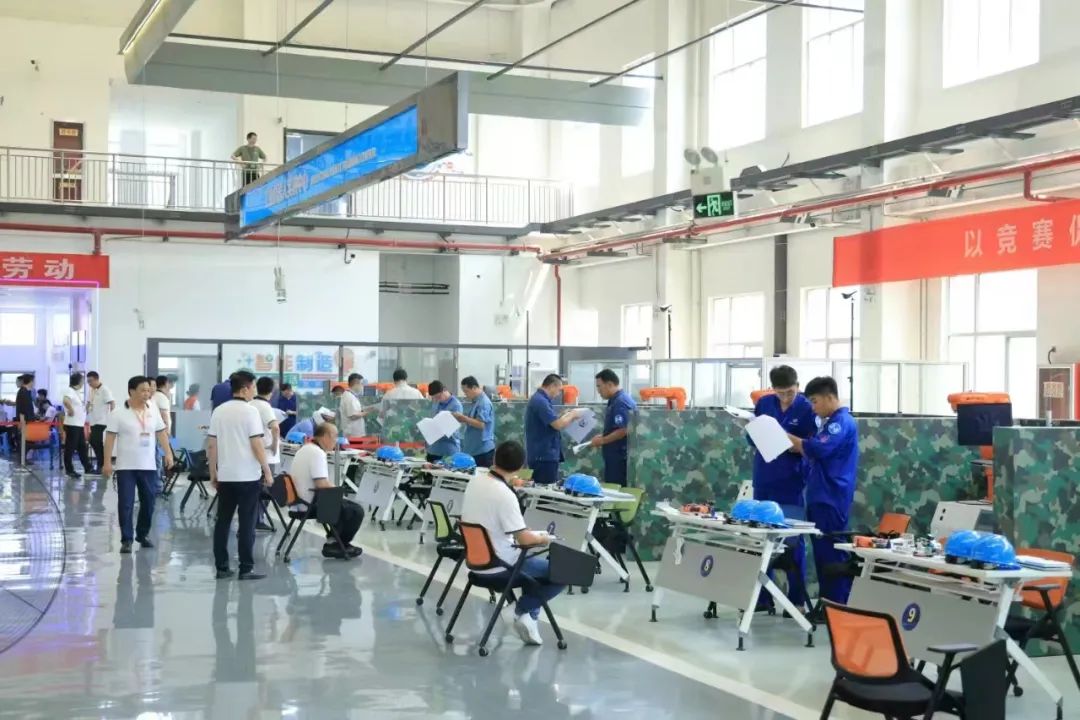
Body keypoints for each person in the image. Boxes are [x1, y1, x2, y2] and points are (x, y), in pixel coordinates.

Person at [460, 440, 563, 646]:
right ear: (520, 467)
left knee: (533, 571)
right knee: (563, 571)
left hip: (476, 565)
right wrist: (543, 538)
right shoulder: (504, 494)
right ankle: (521, 609)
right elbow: (524, 539)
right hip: (502, 566)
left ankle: (529, 618)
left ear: (494, 458)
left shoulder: (475, 482)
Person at [786, 376, 859, 606]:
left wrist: (786, 437)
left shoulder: (841, 423)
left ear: (829, 397)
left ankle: (837, 605)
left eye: (815, 402)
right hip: (821, 495)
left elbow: (818, 448)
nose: (813, 408)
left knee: (832, 553)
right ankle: (827, 603)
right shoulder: (828, 424)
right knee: (821, 553)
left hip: (831, 497)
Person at [750, 365, 817, 612]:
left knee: (792, 540)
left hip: (791, 480)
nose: (786, 397)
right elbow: (751, 435)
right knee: (762, 539)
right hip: (764, 478)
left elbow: (812, 445)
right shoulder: (764, 404)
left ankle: (796, 600)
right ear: (773, 390)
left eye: (790, 392)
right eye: (781, 393)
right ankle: (762, 598)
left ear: (798, 386)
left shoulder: (808, 408)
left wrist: (787, 441)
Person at [208, 371, 274, 581]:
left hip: (226, 476)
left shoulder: (219, 411)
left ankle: (221, 567)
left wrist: (213, 472)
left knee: (223, 522)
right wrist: (267, 470)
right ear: (245, 389)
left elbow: (212, 445)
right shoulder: (250, 411)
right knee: (247, 523)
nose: (254, 391)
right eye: (253, 387)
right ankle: (246, 568)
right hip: (248, 477)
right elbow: (256, 444)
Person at [103, 375, 174, 554]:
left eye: (149, 390)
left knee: (149, 502)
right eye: (143, 390)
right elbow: (110, 438)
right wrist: (107, 462)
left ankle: (142, 534)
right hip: (126, 467)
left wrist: (168, 454)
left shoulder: (153, 410)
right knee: (126, 504)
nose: (147, 394)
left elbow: (161, 432)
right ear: (131, 391)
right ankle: (126, 539)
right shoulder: (118, 413)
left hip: (148, 466)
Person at [289, 422, 365, 559]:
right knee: (356, 510)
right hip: (309, 504)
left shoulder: (304, 449)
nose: (336, 441)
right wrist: (339, 491)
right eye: (335, 436)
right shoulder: (317, 453)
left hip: (297, 503)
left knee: (343, 505)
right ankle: (339, 544)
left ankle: (333, 541)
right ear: (325, 436)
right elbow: (322, 484)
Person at [524, 374, 584, 486]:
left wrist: (564, 415)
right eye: (558, 390)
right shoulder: (540, 401)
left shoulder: (540, 400)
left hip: (543, 455)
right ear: (552, 386)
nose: (558, 394)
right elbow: (557, 425)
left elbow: (551, 421)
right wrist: (572, 415)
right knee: (545, 489)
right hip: (543, 456)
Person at [590, 369, 637, 487]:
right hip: (615, 455)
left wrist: (602, 440)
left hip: (619, 457)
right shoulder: (616, 400)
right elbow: (616, 428)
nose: (598, 391)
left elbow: (623, 430)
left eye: (599, 386)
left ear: (610, 384)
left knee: (615, 489)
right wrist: (603, 436)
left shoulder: (620, 402)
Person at [454, 376, 495, 467]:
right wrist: (462, 418)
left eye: (466, 391)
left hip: (482, 451)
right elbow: (473, 420)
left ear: (474, 388)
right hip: (474, 448)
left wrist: (464, 418)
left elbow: (481, 424)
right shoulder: (476, 402)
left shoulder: (483, 403)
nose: (465, 394)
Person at [62, 372, 91, 479]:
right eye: (82, 380)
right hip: (72, 424)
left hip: (78, 424)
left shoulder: (76, 392)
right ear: (79, 381)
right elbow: (66, 401)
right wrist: (71, 409)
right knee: (70, 447)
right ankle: (69, 470)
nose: (84, 382)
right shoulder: (69, 390)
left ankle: (88, 467)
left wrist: (86, 407)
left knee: (82, 447)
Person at [426, 380, 463, 463]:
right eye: (434, 398)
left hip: (448, 449)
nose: (437, 399)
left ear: (444, 390)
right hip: (433, 449)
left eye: (438, 397)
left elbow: (453, 429)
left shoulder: (456, 405)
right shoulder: (436, 402)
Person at [86, 371, 115, 476]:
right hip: (93, 420)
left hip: (102, 421)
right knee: (94, 442)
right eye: (88, 381)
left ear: (96, 379)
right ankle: (102, 463)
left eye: (90, 381)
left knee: (95, 441)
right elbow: (89, 403)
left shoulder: (104, 389)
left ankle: (101, 464)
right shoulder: (91, 390)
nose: (89, 383)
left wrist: (112, 416)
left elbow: (112, 402)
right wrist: (86, 410)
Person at [334, 373, 372, 439]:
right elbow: (353, 416)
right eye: (361, 384)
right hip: (353, 434)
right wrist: (367, 412)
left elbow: (355, 411)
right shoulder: (349, 397)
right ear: (356, 383)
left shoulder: (351, 395)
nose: (362, 386)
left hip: (354, 433)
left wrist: (364, 410)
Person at [14, 374, 35, 464]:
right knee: (25, 441)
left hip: (29, 420)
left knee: (29, 441)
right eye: (33, 381)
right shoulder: (23, 392)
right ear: (30, 381)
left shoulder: (26, 392)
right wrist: (21, 422)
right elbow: (21, 409)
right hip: (25, 421)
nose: (33, 383)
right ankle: (22, 460)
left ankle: (24, 459)